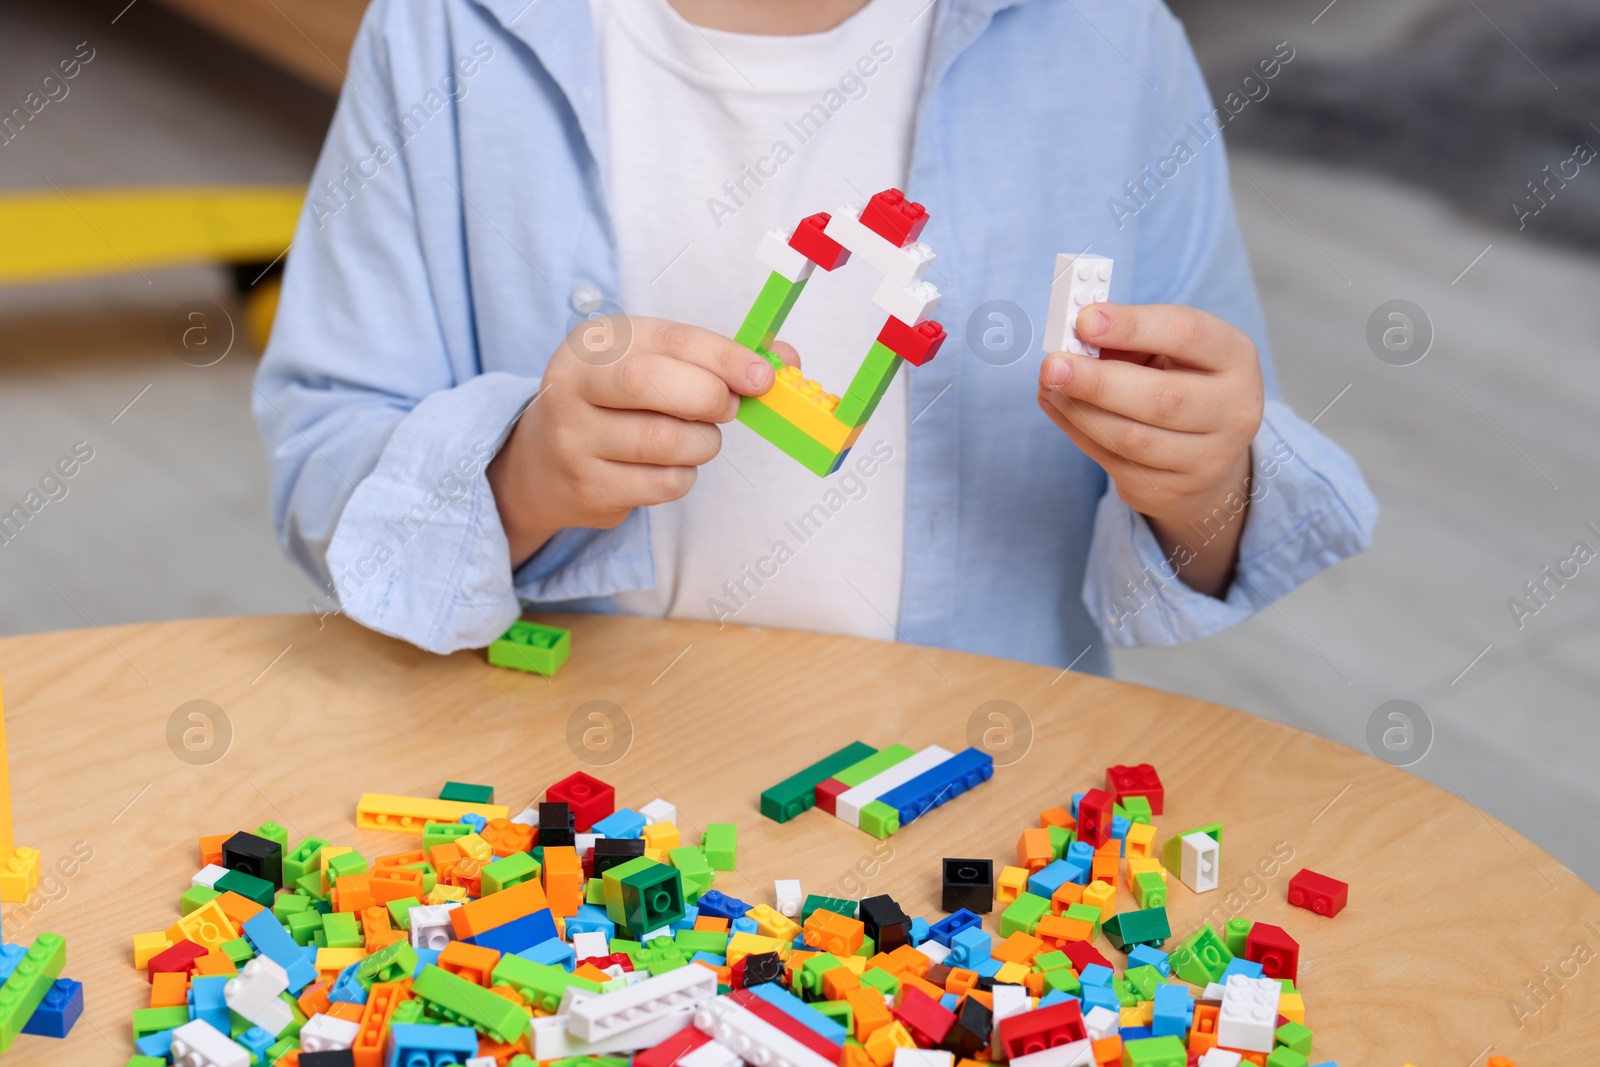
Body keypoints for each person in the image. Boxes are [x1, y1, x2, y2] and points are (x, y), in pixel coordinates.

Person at [254, 0, 1376, 674]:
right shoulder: (448, 29)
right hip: (562, 774)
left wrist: (1200, 481)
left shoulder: (1109, 43)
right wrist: (522, 474)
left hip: (968, 777)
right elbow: (326, 460)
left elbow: (1217, 503)